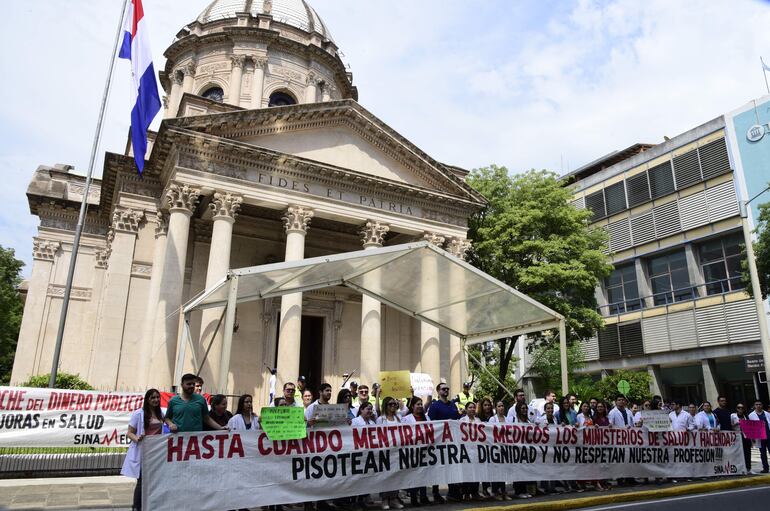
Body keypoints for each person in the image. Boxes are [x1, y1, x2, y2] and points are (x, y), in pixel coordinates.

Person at [121, 389, 163, 511]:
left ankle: (149, 505)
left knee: (153, 480)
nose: (155, 400)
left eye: (157, 397)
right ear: (147, 400)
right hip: (143, 451)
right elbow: (129, 433)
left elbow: (166, 425)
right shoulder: (138, 414)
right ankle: (136, 507)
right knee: (142, 480)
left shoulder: (160, 413)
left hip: (156, 451)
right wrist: (138, 439)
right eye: (152, 398)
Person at [426, 383, 460, 503]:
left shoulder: (453, 405)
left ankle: (452, 491)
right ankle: (435, 492)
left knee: (452, 465)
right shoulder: (434, 406)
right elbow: (431, 423)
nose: (446, 390)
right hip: (439, 441)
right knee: (438, 467)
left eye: (447, 389)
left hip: (452, 441)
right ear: (438, 391)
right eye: (443, 389)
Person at [376, 397, 403, 509]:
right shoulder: (381, 419)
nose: (393, 405)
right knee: (385, 476)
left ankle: (394, 498)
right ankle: (384, 499)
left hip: (397, 451)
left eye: (394, 403)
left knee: (396, 475)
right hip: (385, 452)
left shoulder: (399, 418)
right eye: (390, 404)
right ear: (385, 405)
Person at [459, 402, 483, 501]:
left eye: (474, 407)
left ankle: (475, 492)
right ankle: (466, 493)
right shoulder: (462, 420)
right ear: (466, 409)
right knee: (467, 472)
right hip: (466, 449)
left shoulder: (478, 420)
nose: (472, 409)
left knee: (476, 472)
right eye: (470, 407)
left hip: (476, 449)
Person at [748, 400, 770, 473]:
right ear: (754, 406)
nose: (758, 406)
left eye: (760, 404)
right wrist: (752, 438)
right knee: (763, 453)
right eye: (756, 404)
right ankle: (765, 468)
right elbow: (751, 427)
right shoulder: (751, 415)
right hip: (760, 437)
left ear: (762, 405)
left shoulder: (767, 413)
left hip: (768, 435)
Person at [732, 402, 752, 473]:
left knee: (748, 452)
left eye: (742, 408)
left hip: (746, 437)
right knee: (739, 452)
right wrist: (736, 423)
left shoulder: (746, 416)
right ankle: (740, 468)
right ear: (736, 409)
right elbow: (731, 426)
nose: (740, 409)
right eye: (739, 407)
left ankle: (748, 468)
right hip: (738, 437)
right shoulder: (733, 415)